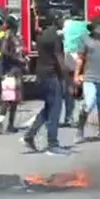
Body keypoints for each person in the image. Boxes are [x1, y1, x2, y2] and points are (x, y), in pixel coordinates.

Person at [22, 16, 66, 153]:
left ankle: (30, 134)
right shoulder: (55, 37)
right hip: (52, 75)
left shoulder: (41, 37)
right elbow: (59, 58)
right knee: (55, 109)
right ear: (56, 21)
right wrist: (66, 78)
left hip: (41, 75)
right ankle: (53, 143)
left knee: (48, 107)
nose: (64, 22)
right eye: (62, 19)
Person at [0, 15, 25, 134]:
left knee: (15, 100)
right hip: (10, 71)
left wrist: (23, 59)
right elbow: (4, 51)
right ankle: (0, 124)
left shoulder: (15, 36)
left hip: (16, 71)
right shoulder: (9, 35)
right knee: (8, 99)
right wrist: (17, 60)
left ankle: (10, 125)